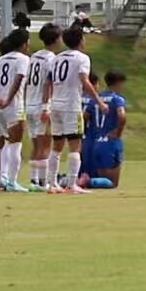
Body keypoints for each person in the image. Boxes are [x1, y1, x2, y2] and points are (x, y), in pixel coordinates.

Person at [45, 27, 106, 193]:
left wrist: (46, 104)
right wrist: (99, 101)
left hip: (55, 104)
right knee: (74, 145)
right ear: (80, 40)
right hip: (71, 105)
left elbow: (48, 81)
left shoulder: (56, 58)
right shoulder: (82, 58)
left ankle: (51, 184)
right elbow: (84, 80)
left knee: (56, 145)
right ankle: (72, 183)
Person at [0, 29, 31, 192]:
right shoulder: (23, 59)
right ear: (24, 44)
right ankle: (12, 181)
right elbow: (18, 78)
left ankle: (1, 178)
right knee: (15, 144)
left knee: (4, 144)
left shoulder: (0, 60)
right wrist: (8, 98)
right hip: (14, 105)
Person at [24, 23, 60, 190]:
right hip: (40, 104)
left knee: (36, 144)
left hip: (29, 103)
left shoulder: (34, 57)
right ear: (57, 39)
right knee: (45, 144)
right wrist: (46, 107)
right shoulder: (52, 59)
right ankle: (42, 182)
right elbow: (48, 83)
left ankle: (33, 180)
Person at [89, 70, 129, 188]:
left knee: (103, 181)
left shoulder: (97, 99)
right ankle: (86, 181)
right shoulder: (117, 99)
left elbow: (84, 116)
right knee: (112, 184)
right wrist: (118, 131)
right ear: (118, 83)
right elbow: (122, 116)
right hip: (111, 141)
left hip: (97, 141)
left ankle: (87, 181)